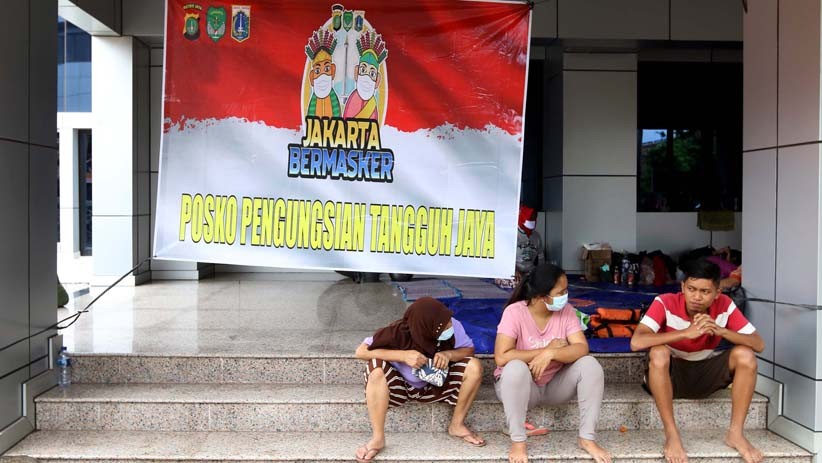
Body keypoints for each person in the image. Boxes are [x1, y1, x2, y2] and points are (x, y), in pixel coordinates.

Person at [630, 258, 765, 463]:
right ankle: (672, 435)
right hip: (670, 377)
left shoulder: (725, 305)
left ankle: (736, 434)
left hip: (705, 375)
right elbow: (637, 342)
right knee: (658, 352)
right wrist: (685, 333)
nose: (696, 297)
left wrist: (721, 330)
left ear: (717, 293)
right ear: (682, 287)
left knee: (745, 355)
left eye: (705, 291)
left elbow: (758, 344)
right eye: (691, 289)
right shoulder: (664, 302)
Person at [494, 264, 612, 463]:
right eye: (561, 292)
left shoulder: (567, 311)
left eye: (566, 291)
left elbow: (581, 348)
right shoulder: (514, 313)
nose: (566, 295)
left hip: (555, 386)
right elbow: (502, 357)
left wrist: (552, 353)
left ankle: (587, 438)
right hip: (522, 388)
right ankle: (518, 441)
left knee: (590, 365)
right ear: (541, 296)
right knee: (514, 367)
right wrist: (543, 351)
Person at [354, 297, 484, 462]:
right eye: (443, 326)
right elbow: (361, 352)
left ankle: (456, 425)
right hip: (399, 389)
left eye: (448, 322)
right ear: (425, 327)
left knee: (474, 366)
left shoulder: (451, 324)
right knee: (375, 367)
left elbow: (469, 350)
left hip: (436, 385)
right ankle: (378, 438)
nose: (449, 327)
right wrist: (402, 356)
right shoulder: (397, 332)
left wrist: (449, 354)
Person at [343, 30, 386, 121]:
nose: (366, 78)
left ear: (377, 80)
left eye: (372, 74)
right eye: (363, 70)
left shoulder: (373, 103)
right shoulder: (353, 98)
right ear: (356, 73)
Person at [305, 28, 342, 118]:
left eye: (327, 69)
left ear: (332, 71)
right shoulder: (312, 103)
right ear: (312, 77)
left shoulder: (334, 101)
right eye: (318, 71)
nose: (322, 75)